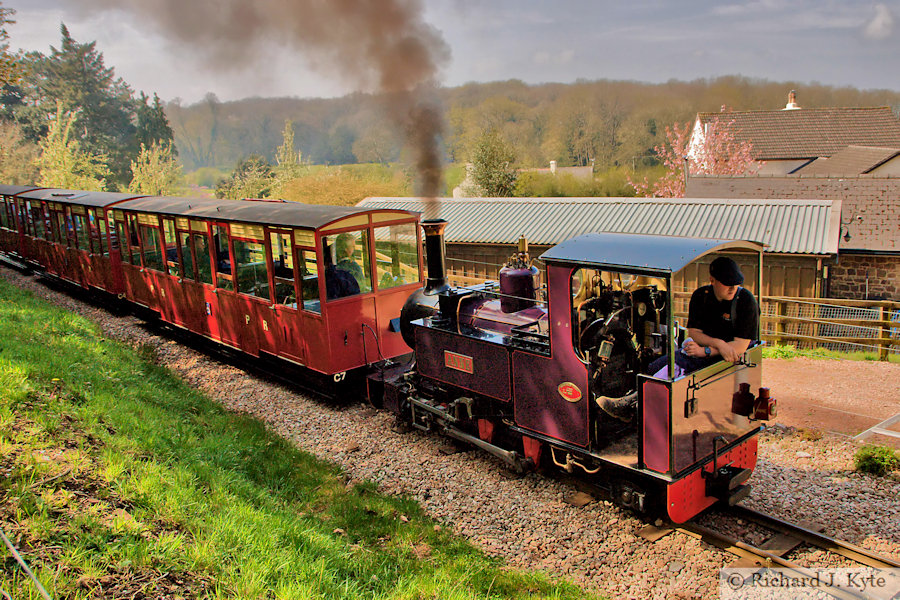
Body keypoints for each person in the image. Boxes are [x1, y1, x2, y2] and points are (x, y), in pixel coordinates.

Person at [599, 256, 759, 422]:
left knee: (670, 373)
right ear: (713, 280)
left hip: (732, 359)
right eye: (727, 282)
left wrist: (705, 351)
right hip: (710, 349)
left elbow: (738, 347)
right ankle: (642, 408)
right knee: (655, 366)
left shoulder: (746, 301)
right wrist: (715, 344)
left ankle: (631, 407)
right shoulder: (701, 297)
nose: (733, 287)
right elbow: (695, 333)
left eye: (736, 282)